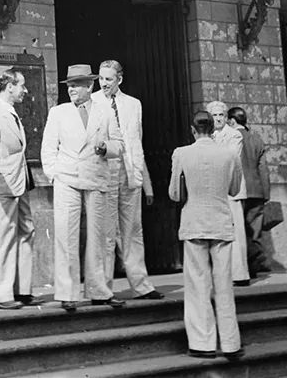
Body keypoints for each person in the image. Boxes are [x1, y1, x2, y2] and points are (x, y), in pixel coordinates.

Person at [41, 64, 124, 312]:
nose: (72, 90)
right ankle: (68, 293)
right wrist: (54, 174)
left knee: (98, 236)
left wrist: (105, 149)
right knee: (66, 235)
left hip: (96, 177)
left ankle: (99, 291)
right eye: (70, 85)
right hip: (67, 178)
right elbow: (48, 147)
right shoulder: (58, 113)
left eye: (78, 84)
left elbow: (119, 144)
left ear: (90, 86)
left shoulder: (105, 111)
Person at [168, 110, 244, 361]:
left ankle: (203, 343)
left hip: (194, 223)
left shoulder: (182, 153)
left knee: (197, 283)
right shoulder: (230, 154)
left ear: (193, 129)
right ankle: (231, 343)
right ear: (213, 129)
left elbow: (175, 195)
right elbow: (234, 190)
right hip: (221, 222)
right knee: (224, 284)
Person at [91, 59, 162, 300]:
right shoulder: (92, 103)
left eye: (108, 79)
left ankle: (141, 285)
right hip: (104, 173)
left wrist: (147, 183)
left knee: (133, 230)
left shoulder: (134, 105)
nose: (103, 84)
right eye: (100, 78)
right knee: (106, 233)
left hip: (130, 173)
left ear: (119, 79)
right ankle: (104, 289)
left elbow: (136, 144)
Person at [0, 69, 39, 310]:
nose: (25, 90)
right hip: (2, 183)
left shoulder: (11, 113)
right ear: (9, 86)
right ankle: (2, 296)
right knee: (2, 237)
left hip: (18, 183)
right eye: (22, 85)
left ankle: (22, 290)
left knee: (26, 230)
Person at [207, 100, 250, 285]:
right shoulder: (207, 136)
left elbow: (230, 158)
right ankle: (222, 273)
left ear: (226, 117)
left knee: (236, 231)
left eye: (221, 115)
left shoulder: (234, 135)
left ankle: (240, 274)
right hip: (214, 189)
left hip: (231, 188)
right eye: (214, 115)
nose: (218, 118)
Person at [227, 106, 270, 278]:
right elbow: (264, 169)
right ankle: (254, 265)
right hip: (257, 191)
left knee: (239, 230)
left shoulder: (230, 138)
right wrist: (266, 193)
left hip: (238, 190)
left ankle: (243, 268)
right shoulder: (256, 139)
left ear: (231, 121)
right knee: (254, 231)